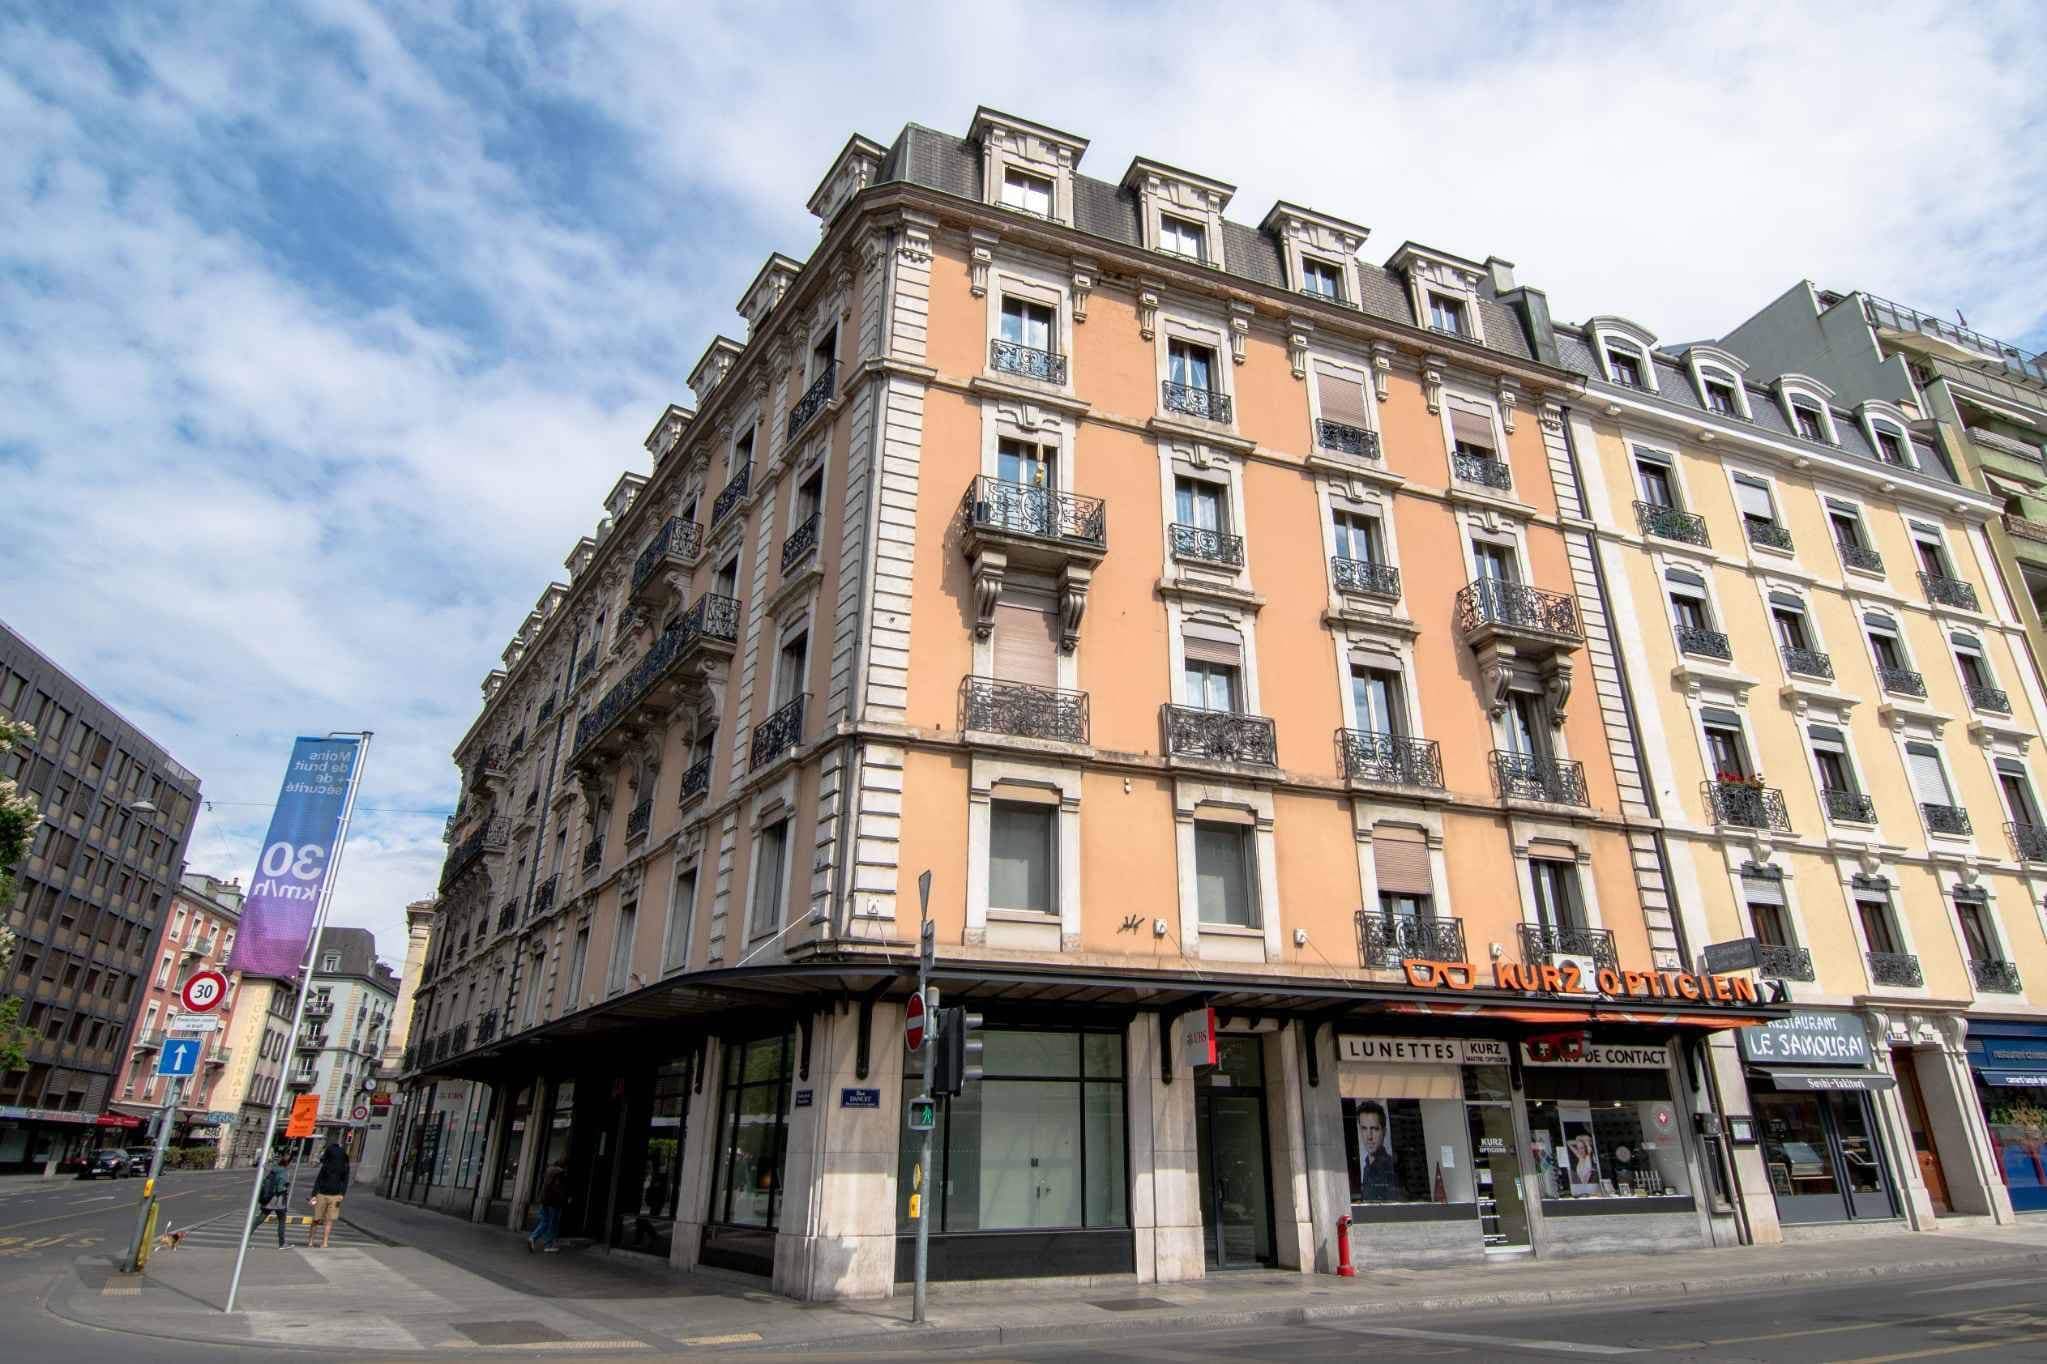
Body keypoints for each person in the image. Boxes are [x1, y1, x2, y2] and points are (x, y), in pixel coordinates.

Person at [1355, 1101, 1402, 1202]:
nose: (1369, 1136)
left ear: (1384, 1132)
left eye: (1375, 1129)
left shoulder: (1389, 1167)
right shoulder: (1367, 1165)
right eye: (1364, 1128)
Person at [308, 1140, 350, 1248]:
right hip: (324, 1194)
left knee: (327, 1220)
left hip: (333, 1195)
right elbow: (319, 1179)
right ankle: (313, 1241)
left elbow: (344, 1181)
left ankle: (323, 1242)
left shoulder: (343, 1166)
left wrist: (342, 1194)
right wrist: (314, 1194)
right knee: (318, 1219)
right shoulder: (329, 1165)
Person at [250, 1157, 291, 1249]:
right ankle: (282, 1244)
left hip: (268, 1200)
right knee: (282, 1221)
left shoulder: (272, 1170)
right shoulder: (284, 1172)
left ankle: (246, 1239)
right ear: (287, 1164)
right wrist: (286, 1187)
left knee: (259, 1220)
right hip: (279, 1201)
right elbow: (280, 1187)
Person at [528, 1160, 566, 1253]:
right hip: (554, 1202)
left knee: (545, 1221)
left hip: (544, 1200)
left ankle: (533, 1237)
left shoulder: (548, 1171)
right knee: (552, 1224)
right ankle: (548, 1245)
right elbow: (557, 1187)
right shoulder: (559, 1172)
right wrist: (563, 1197)